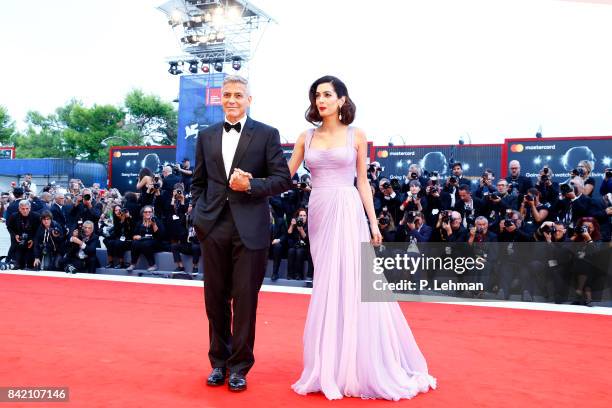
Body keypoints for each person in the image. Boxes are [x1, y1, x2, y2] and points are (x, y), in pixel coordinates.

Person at [288, 75, 436, 400]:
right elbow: (283, 175)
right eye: (316, 95)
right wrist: (250, 180)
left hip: (347, 208)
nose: (320, 100)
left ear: (342, 99)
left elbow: (363, 182)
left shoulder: (357, 135)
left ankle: (356, 364)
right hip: (320, 210)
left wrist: (373, 223)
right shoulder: (305, 137)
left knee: (353, 282)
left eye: (327, 94)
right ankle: (329, 362)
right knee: (327, 283)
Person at [191, 75, 292, 392]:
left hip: (250, 227)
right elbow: (198, 183)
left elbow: (282, 179)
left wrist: (251, 185)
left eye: (238, 95)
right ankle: (218, 363)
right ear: (221, 100)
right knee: (214, 300)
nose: (232, 99)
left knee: (245, 302)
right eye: (227, 95)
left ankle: (239, 367)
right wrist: (199, 215)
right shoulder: (206, 136)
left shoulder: (266, 134)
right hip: (213, 226)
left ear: (249, 99)